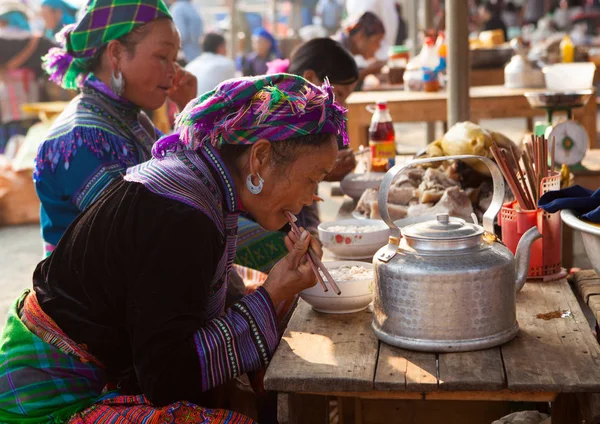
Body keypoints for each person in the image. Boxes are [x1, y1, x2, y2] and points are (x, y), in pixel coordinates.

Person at [0, 73, 346, 423]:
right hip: (48, 395)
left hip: (109, 360)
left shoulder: (200, 180)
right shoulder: (183, 217)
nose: (311, 197)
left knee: (262, 300)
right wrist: (271, 296)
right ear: (259, 158)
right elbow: (166, 378)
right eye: (312, 178)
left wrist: (270, 298)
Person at [35, 0, 197, 256]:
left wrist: (189, 110)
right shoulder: (82, 138)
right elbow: (149, 233)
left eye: (174, 59)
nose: (174, 71)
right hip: (93, 294)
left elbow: (182, 185)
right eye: (162, 57)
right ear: (116, 55)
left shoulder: (132, 119)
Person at [235, 38, 359, 273]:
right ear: (311, 79)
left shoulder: (305, 126)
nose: (341, 106)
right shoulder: (276, 120)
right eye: (339, 94)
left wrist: (310, 231)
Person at [337, 12, 386, 87]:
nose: (378, 46)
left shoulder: (346, 49)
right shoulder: (337, 50)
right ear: (360, 36)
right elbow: (338, 81)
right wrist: (369, 71)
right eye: (376, 41)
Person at [186, 32, 236, 96]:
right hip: (212, 105)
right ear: (220, 47)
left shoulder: (190, 65)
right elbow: (233, 93)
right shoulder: (227, 64)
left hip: (190, 105)